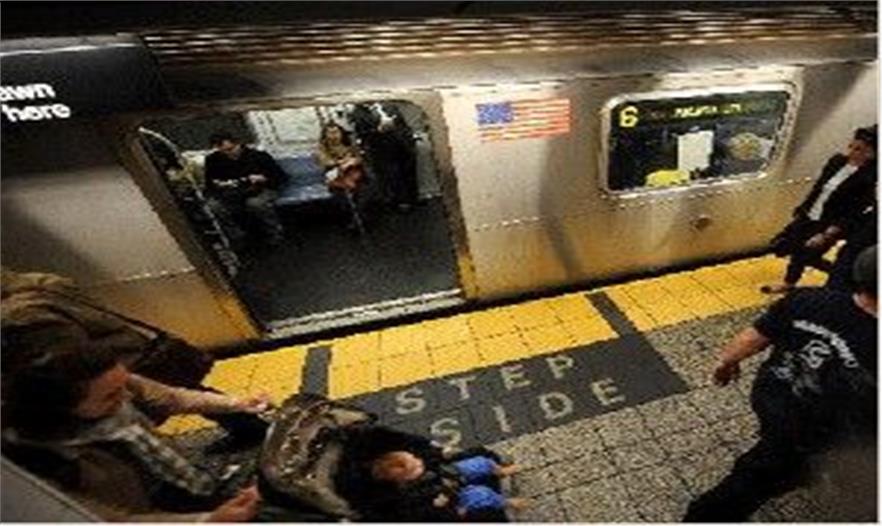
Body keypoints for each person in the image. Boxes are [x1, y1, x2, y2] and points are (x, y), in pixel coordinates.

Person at [684, 245, 878, 522]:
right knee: (757, 477)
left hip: (771, 394)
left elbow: (754, 337)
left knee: (777, 441)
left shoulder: (808, 299)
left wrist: (726, 362)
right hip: (816, 431)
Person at [1, 267, 268, 447]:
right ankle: (247, 424)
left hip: (117, 365)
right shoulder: (39, 282)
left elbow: (69, 367)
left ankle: (244, 430)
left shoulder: (20, 316)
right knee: (181, 393)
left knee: (140, 418)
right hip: (131, 347)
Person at [2, 343, 270, 522]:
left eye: (125, 384)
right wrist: (206, 521)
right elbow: (110, 520)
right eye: (111, 397)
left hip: (177, 478)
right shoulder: (39, 462)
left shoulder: (110, 383)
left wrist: (236, 403)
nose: (128, 397)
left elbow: (171, 398)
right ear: (61, 409)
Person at [761, 125, 876, 294]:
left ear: (871, 153)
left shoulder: (870, 177)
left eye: (859, 149)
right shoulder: (837, 161)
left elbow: (855, 210)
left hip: (830, 223)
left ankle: (838, 279)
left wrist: (827, 234)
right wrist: (803, 209)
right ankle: (797, 281)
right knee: (794, 248)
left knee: (806, 254)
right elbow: (819, 188)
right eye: (851, 146)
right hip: (810, 214)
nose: (851, 152)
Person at [334, 425, 525, 521]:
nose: (419, 463)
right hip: (448, 497)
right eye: (415, 468)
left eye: (414, 459)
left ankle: (500, 471)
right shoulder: (407, 496)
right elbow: (420, 513)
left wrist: (440, 453)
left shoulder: (417, 463)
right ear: (400, 481)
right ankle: (507, 503)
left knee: (480, 462)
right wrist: (444, 506)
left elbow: (427, 456)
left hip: (447, 474)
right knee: (481, 494)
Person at [203, 131, 286, 247]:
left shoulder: (258, 156)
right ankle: (236, 236)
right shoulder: (213, 159)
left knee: (256, 203)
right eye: (222, 151)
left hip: (262, 188)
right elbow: (209, 182)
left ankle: (274, 232)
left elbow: (280, 177)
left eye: (230, 149)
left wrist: (263, 178)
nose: (228, 153)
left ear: (238, 144)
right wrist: (219, 184)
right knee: (213, 206)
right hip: (231, 192)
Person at [350, 102, 420, 211]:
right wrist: (378, 130)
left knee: (409, 171)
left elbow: (402, 123)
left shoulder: (388, 105)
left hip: (402, 144)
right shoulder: (357, 113)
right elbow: (362, 134)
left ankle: (414, 198)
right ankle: (402, 202)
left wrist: (409, 137)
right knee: (393, 176)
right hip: (381, 150)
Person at [316, 123, 370, 230]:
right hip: (336, 176)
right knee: (342, 198)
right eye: (330, 133)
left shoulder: (349, 143)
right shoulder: (322, 147)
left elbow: (359, 157)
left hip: (355, 173)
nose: (334, 136)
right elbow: (325, 161)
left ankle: (358, 219)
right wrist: (344, 162)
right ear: (325, 135)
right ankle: (353, 220)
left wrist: (352, 161)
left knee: (364, 192)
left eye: (336, 132)